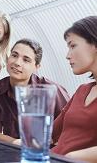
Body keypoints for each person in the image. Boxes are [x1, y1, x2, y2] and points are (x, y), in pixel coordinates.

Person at [0, 38, 70, 143]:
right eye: (14, 55)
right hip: (15, 151)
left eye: (26, 60)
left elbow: (72, 124)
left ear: (36, 67)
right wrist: (18, 143)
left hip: (49, 152)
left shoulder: (51, 90)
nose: (17, 62)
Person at [51, 16, 97, 161]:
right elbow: (50, 132)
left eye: (73, 46)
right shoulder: (82, 90)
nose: (67, 55)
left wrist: (72, 157)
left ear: (94, 44)